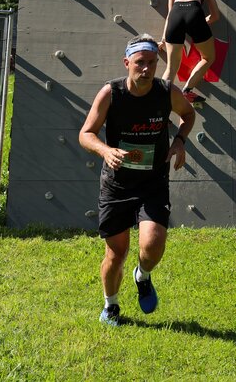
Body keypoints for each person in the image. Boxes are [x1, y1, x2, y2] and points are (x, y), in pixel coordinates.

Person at [79, 34, 195, 326]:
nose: (146, 69)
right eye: (140, 63)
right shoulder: (111, 93)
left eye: (152, 63)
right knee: (116, 254)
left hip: (152, 182)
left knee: (153, 246)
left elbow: (188, 114)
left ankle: (142, 276)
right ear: (127, 62)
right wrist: (105, 150)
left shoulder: (167, 91)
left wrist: (180, 141)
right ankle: (111, 306)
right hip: (117, 184)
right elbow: (86, 134)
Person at [160, 0, 221, 104]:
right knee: (207, 58)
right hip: (195, 13)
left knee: (171, 67)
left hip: (176, 16)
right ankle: (187, 90)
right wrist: (200, 22)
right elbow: (215, 16)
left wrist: (164, 39)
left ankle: (159, 102)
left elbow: (170, 15)